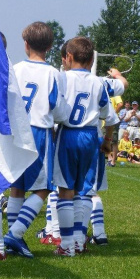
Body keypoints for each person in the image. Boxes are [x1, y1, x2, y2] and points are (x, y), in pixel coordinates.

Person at [3, 22, 70, 259]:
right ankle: (15, 234)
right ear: (51, 47)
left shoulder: (15, 69)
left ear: (25, 44)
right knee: (43, 188)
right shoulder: (54, 73)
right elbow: (60, 110)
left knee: (17, 186)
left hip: (15, 131)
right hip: (39, 131)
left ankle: (14, 239)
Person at [52, 37, 111, 257]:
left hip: (68, 133)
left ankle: (67, 245)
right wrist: (107, 141)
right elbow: (110, 117)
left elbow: (54, 110)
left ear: (68, 57)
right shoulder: (98, 82)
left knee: (65, 190)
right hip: (90, 136)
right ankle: (79, 240)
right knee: (85, 189)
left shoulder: (62, 78)